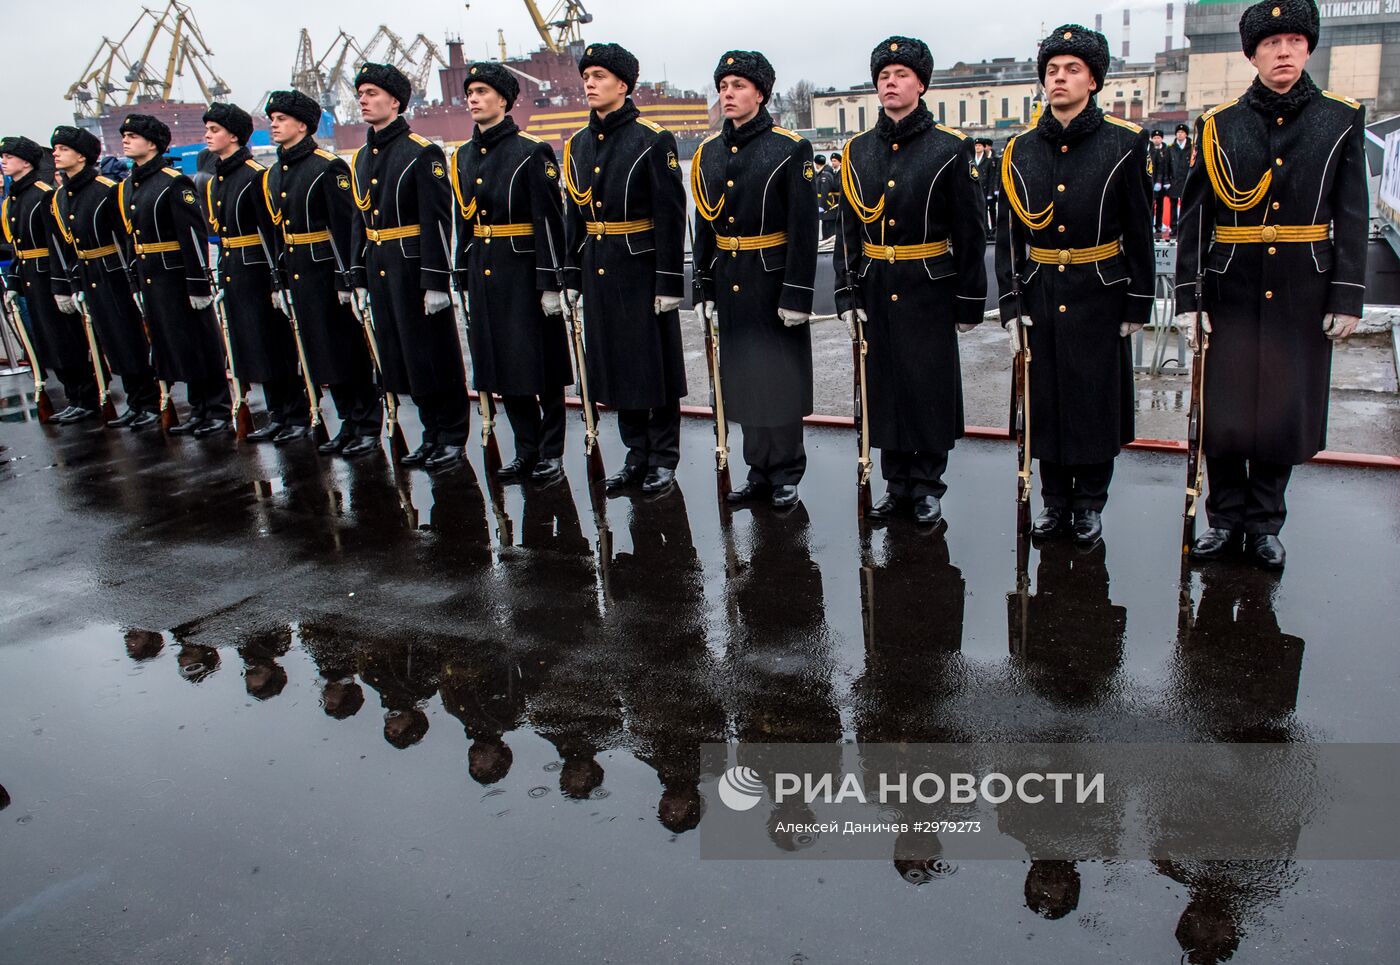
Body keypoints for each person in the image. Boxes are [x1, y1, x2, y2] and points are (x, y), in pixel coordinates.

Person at [1175, 0, 1367, 570]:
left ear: (1309, 48)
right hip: (1230, 286)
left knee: (1282, 410)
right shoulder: (1218, 125)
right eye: (1270, 43)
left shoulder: (1339, 119)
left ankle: (1264, 523)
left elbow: (1351, 213)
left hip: (1301, 287)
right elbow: (1196, 218)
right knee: (1227, 409)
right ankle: (1224, 518)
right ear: (1252, 53)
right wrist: (1189, 298)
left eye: (1293, 42)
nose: (1282, 52)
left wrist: (1347, 293)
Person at [995, 24, 1155, 544]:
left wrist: (1138, 299)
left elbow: (1139, 229)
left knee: (1091, 399)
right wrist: (1011, 300)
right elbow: (1010, 236)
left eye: (1072, 70)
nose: (1059, 79)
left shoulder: (1124, 143)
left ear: (1093, 80)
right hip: (1041, 289)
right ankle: (1054, 501)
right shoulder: (1019, 150)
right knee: (1046, 399)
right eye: (1051, 71)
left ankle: (1088, 502)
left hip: (1100, 289)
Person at [835, 35, 988, 524]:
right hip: (877, 283)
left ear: (921, 84)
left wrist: (969, 301)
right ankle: (895, 483)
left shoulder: (949, 148)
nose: (890, 84)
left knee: (926, 386)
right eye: (883, 77)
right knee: (885, 385)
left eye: (900, 75)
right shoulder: (857, 151)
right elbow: (847, 231)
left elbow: (970, 231)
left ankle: (926, 486)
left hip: (929, 286)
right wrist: (847, 291)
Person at [692, 49, 817, 509]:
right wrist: (703, 284)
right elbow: (704, 224)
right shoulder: (707, 153)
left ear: (760, 94)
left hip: (773, 281)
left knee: (778, 380)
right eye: (723, 86)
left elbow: (805, 228)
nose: (728, 93)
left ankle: (785, 471)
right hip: (731, 280)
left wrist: (797, 292)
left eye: (738, 86)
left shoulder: (790, 148)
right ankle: (757, 470)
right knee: (743, 379)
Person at [561, 42, 688, 494]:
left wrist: (671, 280)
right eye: (587, 77)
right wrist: (570, 275)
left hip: (641, 268)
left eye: (599, 76)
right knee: (615, 365)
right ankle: (636, 454)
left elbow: (672, 214)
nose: (590, 84)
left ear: (623, 84)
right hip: (597, 265)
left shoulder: (652, 139)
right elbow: (573, 216)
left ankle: (663, 457)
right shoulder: (576, 144)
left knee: (652, 365)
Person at [451, 61, 572, 481]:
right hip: (486, 271)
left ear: (504, 99)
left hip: (524, 272)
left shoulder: (531, 151)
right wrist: (460, 273)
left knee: (542, 364)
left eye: (482, 92)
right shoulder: (463, 156)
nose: (473, 99)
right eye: (470, 93)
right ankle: (526, 449)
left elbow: (550, 220)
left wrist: (551, 281)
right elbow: (462, 221)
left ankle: (551, 452)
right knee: (505, 365)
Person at [350, 62, 470, 469]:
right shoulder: (363, 157)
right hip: (382, 267)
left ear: (395, 101)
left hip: (414, 269)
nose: (363, 101)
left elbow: (438, 218)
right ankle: (430, 433)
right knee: (402, 355)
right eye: (361, 94)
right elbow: (359, 222)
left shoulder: (421, 152)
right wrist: (358, 277)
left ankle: (452, 435)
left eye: (371, 93)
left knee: (434, 354)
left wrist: (437, 281)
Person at [263, 88, 383, 454]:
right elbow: (279, 233)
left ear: (302, 124)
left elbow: (345, 225)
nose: (274, 125)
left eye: (281, 119)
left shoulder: (326, 167)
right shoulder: (275, 174)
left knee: (346, 349)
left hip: (326, 273)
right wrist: (279, 279)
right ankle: (347, 421)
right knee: (319, 351)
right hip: (300, 272)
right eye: (273, 119)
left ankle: (366, 423)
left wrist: (348, 277)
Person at [115, 114, 232, 435]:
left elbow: (192, 236)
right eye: (124, 135)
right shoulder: (130, 185)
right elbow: (131, 238)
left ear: (152, 144)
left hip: (178, 276)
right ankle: (199, 408)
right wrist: (136, 281)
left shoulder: (174, 183)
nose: (125, 140)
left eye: (132, 135)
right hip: (152, 277)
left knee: (200, 342)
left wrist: (198, 283)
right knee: (176, 343)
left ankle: (217, 408)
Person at [201, 102, 309, 442]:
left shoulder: (254, 176)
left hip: (258, 272)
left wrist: (278, 279)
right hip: (235, 269)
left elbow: (271, 232)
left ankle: (294, 413)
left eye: (215, 130)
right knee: (252, 346)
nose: (207, 135)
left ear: (234, 136)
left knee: (274, 345)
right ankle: (278, 414)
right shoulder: (218, 179)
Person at [46, 125, 160, 428]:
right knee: (111, 339)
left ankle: (147, 400)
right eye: (55, 149)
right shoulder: (61, 197)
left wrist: (133, 279)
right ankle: (135, 401)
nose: (56, 154)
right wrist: (71, 283)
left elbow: (125, 238)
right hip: (89, 273)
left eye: (63, 149)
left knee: (129, 336)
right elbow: (68, 246)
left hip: (114, 272)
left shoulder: (106, 190)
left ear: (81, 156)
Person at [1, 134, 99, 422]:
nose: (4, 161)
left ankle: (86, 397)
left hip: (49, 275)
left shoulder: (44, 195)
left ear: (27, 162)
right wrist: (15, 282)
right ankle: (73, 396)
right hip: (31, 277)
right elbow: (19, 247)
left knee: (67, 339)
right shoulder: (14, 200)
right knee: (49, 341)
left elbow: (59, 244)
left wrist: (63, 284)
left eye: (9, 156)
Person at [1164, 122, 1193, 235]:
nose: (1180, 134)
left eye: (1182, 132)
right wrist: (1166, 181)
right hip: (1174, 181)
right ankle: (1173, 227)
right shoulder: (1171, 149)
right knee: (1173, 206)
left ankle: (1185, 226)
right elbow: (1166, 166)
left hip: (1187, 181)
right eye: (1178, 132)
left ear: (1186, 134)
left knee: (1187, 206)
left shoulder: (1191, 148)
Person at [812, 153, 840, 240]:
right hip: (826, 204)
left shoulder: (825, 175)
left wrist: (822, 206)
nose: (833, 163)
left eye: (835, 161)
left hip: (828, 205)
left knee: (829, 230)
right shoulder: (823, 173)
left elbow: (825, 192)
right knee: (826, 228)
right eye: (832, 161)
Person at [974, 138, 998, 237]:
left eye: (979, 145)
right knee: (976, 211)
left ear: (984, 147)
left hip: (984, 189)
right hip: (974, 189)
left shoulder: (989, 161)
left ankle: (985, 231)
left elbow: (991, 178)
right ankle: (979, 231)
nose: (977, 147)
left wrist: (990, 193)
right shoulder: (972, 160)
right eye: (976, 145)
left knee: (984, 211)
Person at [1149, 129, 1169, 237]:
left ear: (1162, 138)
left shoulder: (1166, 150)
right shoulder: (1149, 151)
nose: (1156, 139)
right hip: (1151, 183)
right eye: (1155, 138)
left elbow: (1166, 167)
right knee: (1151, 205)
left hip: (1161, 182)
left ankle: (1159, 225)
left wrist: (1163, 181)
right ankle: (1151, 224)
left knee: (1160, 205)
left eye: (1158, 138)